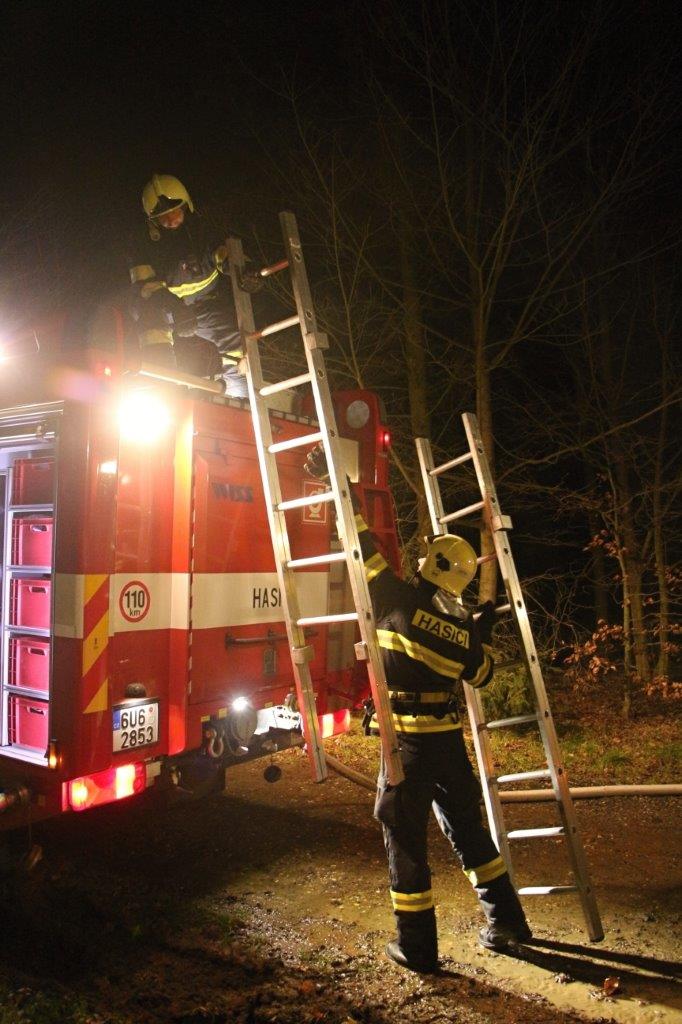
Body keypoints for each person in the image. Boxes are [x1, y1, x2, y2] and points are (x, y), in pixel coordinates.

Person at [305, 447, 531, 973]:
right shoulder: (461, 634)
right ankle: (509, 924)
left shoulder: (395, 598)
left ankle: (418, 948)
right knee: (471, 833)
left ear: (429, 567)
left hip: (406, 745)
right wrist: (480, 632)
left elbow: (359, 543)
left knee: (405, 840)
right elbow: (483, 675)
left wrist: (333, 481)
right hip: (448, 742)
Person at [128, 173, 261, 398]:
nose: (171, 221)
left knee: (232, 333)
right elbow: (145, 289)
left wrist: (246, 271)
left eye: (175, 212)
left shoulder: (202, 232)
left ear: (186, 206)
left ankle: (240, 394)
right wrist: (175, 307)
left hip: (204, 307)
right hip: (166, 310)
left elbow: (223, 255)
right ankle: (161, 390)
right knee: (150, 323)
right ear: (152, 221)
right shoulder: (142, 246)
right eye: (163, 217)